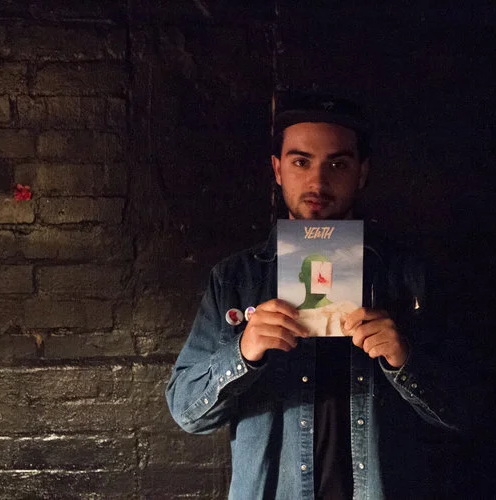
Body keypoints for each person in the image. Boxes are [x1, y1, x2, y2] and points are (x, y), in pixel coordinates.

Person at [166, 93, 467, 499]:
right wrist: (243, 353)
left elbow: (464, 410)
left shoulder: (409, 276)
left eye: (337, 164)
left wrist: (404, 360)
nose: (318, 183)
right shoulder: (235, 279)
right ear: (277, 169)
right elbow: (186, 411)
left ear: (361, 172)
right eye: (301, 162)